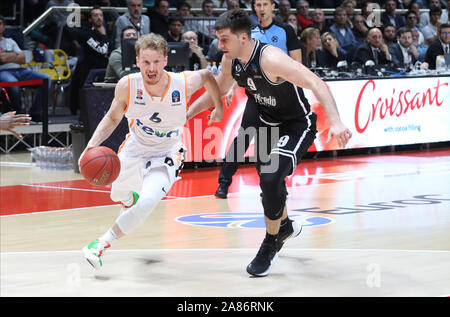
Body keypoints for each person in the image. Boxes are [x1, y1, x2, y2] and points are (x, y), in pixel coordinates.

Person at [187, 9, 352, 277]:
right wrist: (182, 117)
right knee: (269, 184)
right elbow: (217, 90)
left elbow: (316, 82)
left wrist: (335, 121)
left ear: (243, 37)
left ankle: (270, 243)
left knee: (271, 176)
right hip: (267, 123)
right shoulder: (231, 60)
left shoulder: (271, 59)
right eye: (218, 39)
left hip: (295, 124)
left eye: (224, 39)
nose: (219, 46)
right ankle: (283, 226)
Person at [81, 33, 224, 270]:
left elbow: (209, 76)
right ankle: (129, 199)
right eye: (146, 62)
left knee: (147, 202)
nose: (151, 68)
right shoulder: (128, 85)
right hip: (136, 146)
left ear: (165, 60)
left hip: (168, 151)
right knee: (118, 195)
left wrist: (218, 107)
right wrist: (90, 147)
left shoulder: (183, 82)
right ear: (137, 61)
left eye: (156, 61)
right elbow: (112, 118)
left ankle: (100, 243)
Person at [214, 0, 303, 199]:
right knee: (244, 136)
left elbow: (298, 64)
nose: (261, 8)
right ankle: (224, 182)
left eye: (265, 4)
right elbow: (242, 65)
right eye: (258, 4)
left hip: (280, 95)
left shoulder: (285, 30)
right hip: (256, 95)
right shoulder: (248, 33)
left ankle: (273, 187)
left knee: (270, 145)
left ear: (273, 6)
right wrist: (232, 87)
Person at [0, 15, 52, 122]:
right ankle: (17, 114)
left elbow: (23, 59)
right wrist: (14, 55)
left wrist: (7, 56)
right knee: (13, 83)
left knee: (46, 79)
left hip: (20, 70)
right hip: (3, 71)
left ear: (4, 27)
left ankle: (35, 113)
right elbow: (2, 59)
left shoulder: (10, 41)